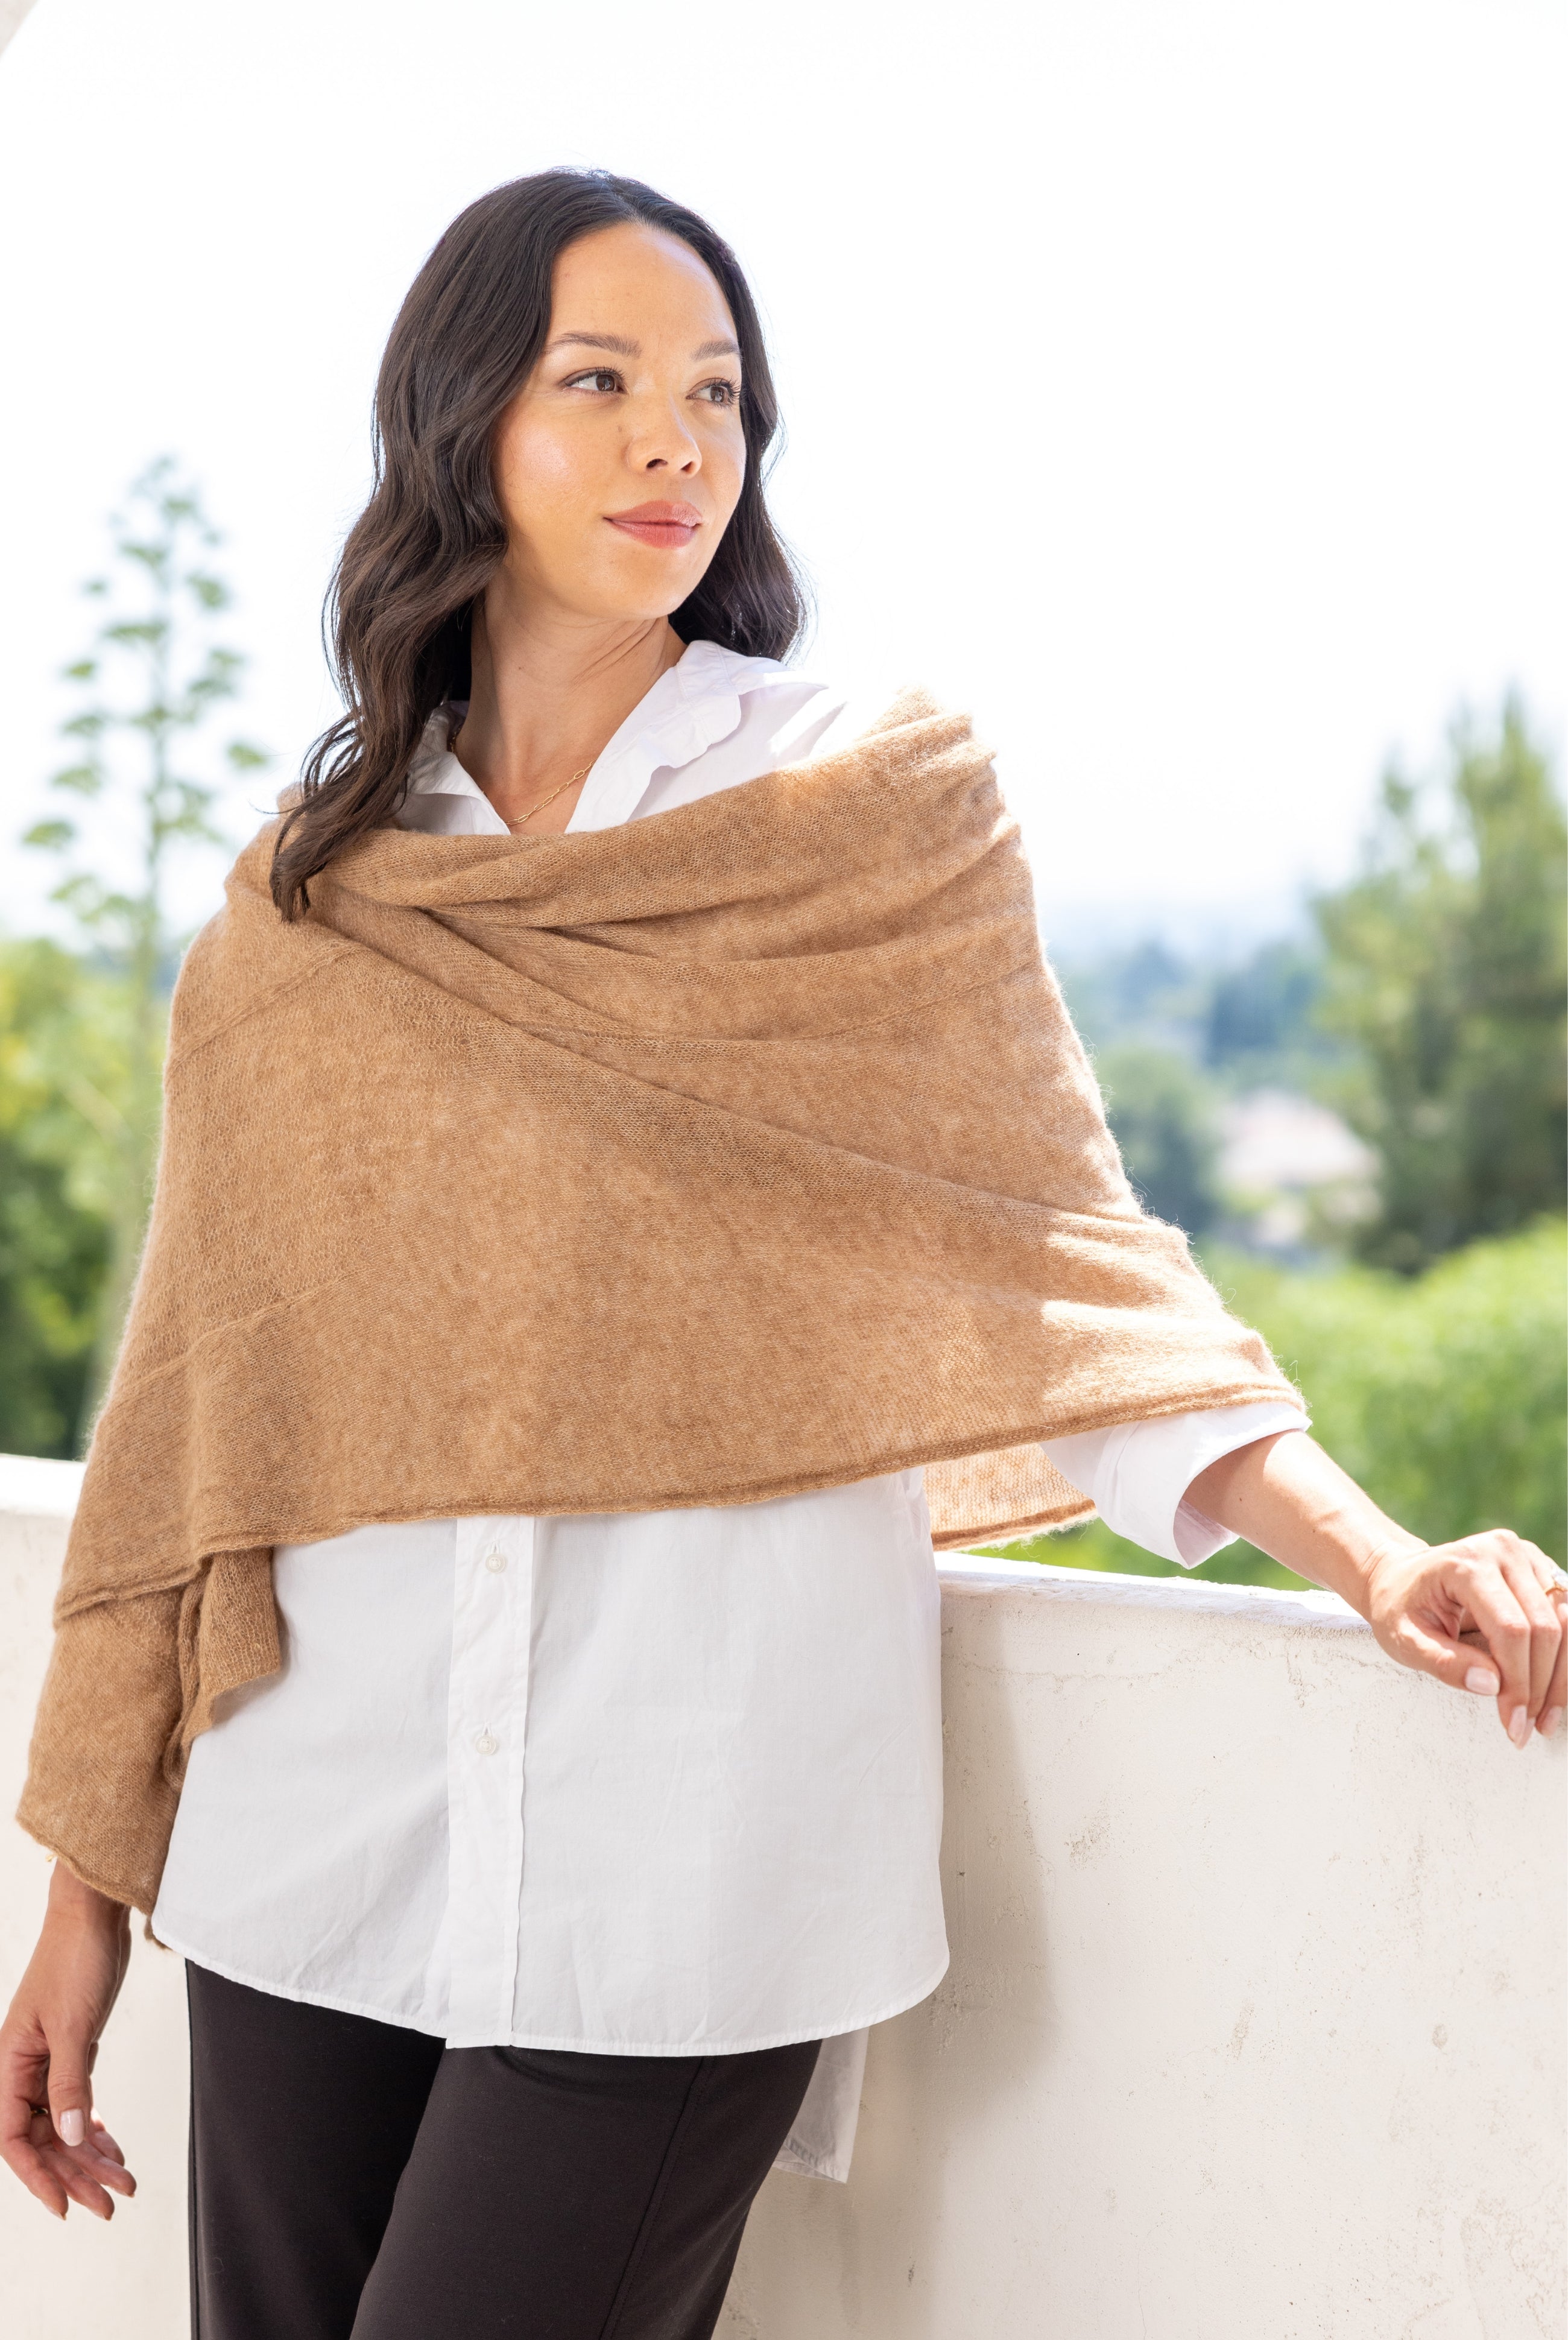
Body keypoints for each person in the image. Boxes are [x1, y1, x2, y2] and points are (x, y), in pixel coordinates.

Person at [3, 168, 1563, 2340]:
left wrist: (1377, 1554)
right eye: (605, 381)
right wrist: (91, 1889)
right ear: (464, 427)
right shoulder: (310, 910)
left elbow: (1046, 1257)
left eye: (719, 391)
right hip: (306, 1854)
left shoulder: (859, 808)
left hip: (691, 1864)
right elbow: (195, 1423)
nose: (679, 440)